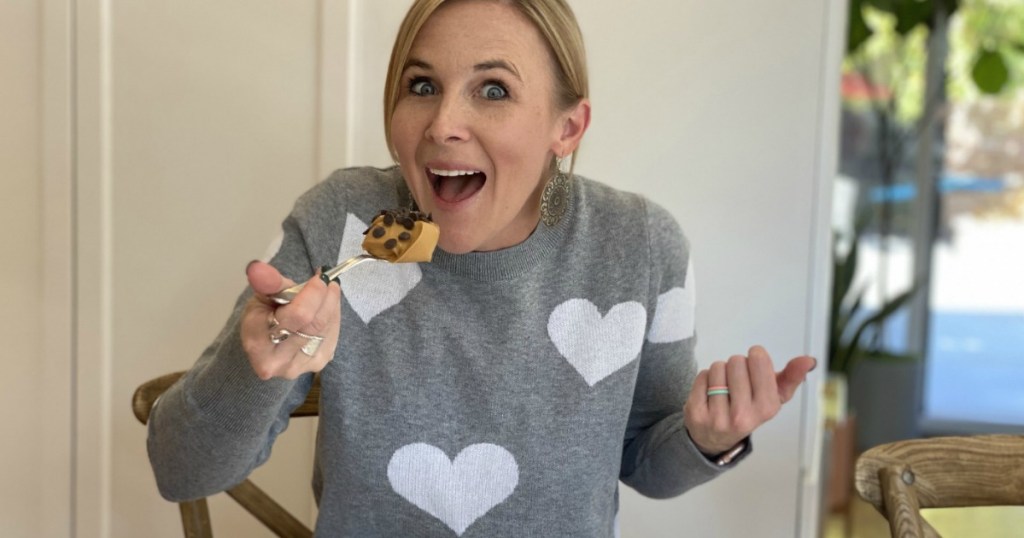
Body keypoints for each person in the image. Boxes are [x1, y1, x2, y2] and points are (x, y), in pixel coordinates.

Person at [146, 0, 816, 536]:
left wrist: (706, 438)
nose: (443, 123)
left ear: (568, 128)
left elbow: (646, 463)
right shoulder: (343, 223)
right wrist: (253, 367)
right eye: (421, 85)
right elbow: (180, 469)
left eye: (492, 89)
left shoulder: (639, 247)